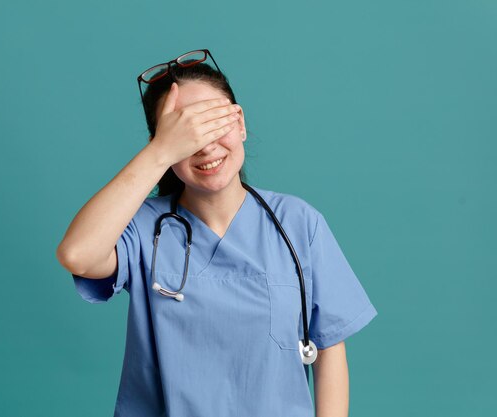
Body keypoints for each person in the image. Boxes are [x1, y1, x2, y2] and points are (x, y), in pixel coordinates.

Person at [56, 49, 378, 417]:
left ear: (240, 122)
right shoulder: (143, 228)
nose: (205, 145)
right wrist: (160, 153)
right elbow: (77, 255)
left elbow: (329, 348)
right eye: (183, 132)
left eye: (213, 122)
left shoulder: (298, 223)